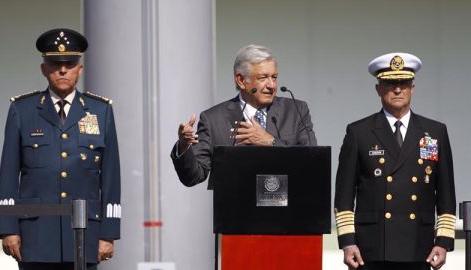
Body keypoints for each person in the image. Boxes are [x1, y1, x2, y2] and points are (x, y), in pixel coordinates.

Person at [0, 28, 121, 270]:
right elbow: (8, 174)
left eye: (70, 63)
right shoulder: (22, 110)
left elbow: (111, 178)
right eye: (55, 63)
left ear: (79, 69)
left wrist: (109, 232)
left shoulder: (100, 111)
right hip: (35, 234)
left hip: (86, 233)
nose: (63, 69)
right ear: (44, 69)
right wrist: (8, 227)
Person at [334, 52, 456, 270]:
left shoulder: (435, 131)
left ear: (412, 88)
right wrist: (347, 242)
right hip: (372, 247)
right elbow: (344, 193)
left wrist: (443, 241)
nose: (398, 89)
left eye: (404, 83)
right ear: (378, 89)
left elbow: (446, 192)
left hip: (419, 247)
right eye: (390, 83)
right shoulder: (359, 132)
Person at [170, 44, 317, 188]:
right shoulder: (213, 120)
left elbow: (313, 162)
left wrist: (270, 142)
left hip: (289, 209)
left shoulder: (296, 111)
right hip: (236, 210)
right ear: (241, 80)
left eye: (274, 77)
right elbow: (193, 177)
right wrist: (184, 146)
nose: (271, 85)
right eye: (263, 78)